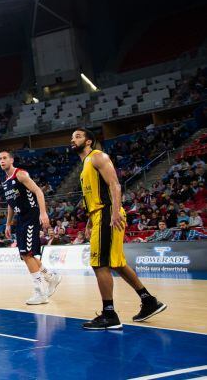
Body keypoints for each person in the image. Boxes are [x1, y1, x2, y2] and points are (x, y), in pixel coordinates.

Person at [71, 128, 166, 330]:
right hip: (98, 215)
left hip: (107, 213)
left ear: (89, 141)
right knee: (117, 263)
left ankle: (109, 315)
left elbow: (115, 184)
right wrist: (89, 220)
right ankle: (149, 301)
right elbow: (93, 196)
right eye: (72, 137)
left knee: (100, 264)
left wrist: (114, 211)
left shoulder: (98, 157)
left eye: (77, 136)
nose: (73, 140)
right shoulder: (84, 164)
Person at [0, 151, 61, 305]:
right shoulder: (5, 182)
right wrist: (8, 223)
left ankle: (40, 292)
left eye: (5, 158)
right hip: (21, 219)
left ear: (12, 160)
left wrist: (43, 213)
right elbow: (10, 204)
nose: (2, 161)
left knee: (27, 254)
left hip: (31, 216)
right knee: (26, 255)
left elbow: (38, 191)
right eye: (0, 159)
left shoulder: (20, 174)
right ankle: (51, 277)